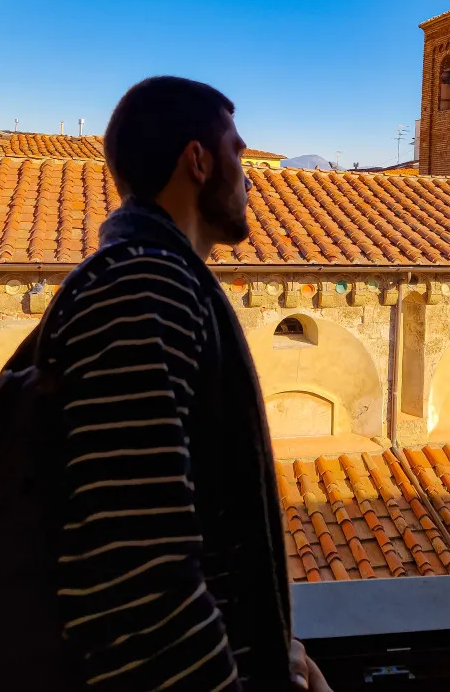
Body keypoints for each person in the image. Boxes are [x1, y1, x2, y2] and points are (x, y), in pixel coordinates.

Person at [41, 77, 331, 691]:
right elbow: (139, 566)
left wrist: (267, 648)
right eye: (238, 153)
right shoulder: (148, 285)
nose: (250, 178)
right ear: (197, 161)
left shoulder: (148, 274)